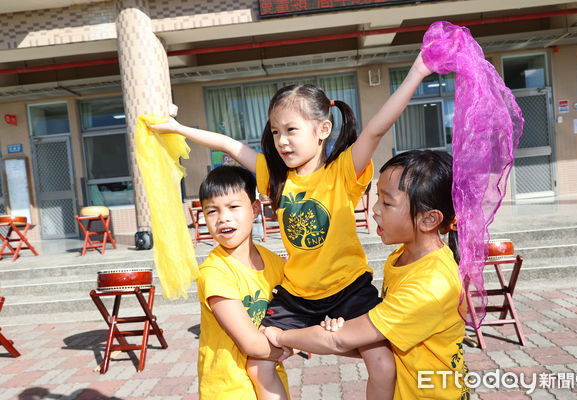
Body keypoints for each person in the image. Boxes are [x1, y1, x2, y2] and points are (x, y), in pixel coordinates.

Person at [147, 53, 432, 399]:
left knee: (383, 364)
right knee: (259, 362)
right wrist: (178, 130)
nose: (282, 141)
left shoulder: (342, 171)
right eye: (276, 131)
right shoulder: (274, 176)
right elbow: (227, 144)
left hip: (349, 290)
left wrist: (418, 70)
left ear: (323, 129)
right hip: (297, 297)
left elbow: (377, 128)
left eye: (291, 130)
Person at [264, 150, 470, 400]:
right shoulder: (402, 257)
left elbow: (339, 342)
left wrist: (281, 335)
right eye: (376, 198)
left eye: (387, 202)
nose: (374, 209)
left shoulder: (430, 285)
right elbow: (378, 337)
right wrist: (342, 333)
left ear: (428, 219)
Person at [195, 165, 289, 399]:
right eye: (211, 211)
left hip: (271, 382)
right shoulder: (214, 272)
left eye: (233, 207)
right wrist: (299, 344)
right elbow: (252, 344)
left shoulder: (276, 264)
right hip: (228, 390)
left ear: (256, 208)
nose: (223, 218)